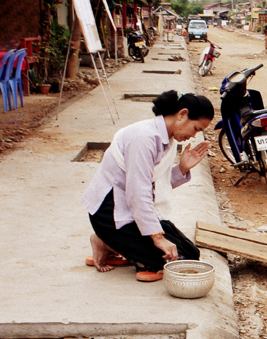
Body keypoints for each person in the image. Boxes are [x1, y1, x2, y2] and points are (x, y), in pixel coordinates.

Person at [82, 90, 213, 282]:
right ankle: (108, 240)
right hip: (110, 213)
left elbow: (154, 185)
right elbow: (138, 193)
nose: (193, 136)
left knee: (190, 252)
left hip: (130, 208)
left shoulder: (165, 139)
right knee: (178, 261)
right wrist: (158, 238)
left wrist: (182, 168)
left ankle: (110, 244)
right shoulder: (144, 138)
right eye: (195, 129)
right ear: (182, 114)